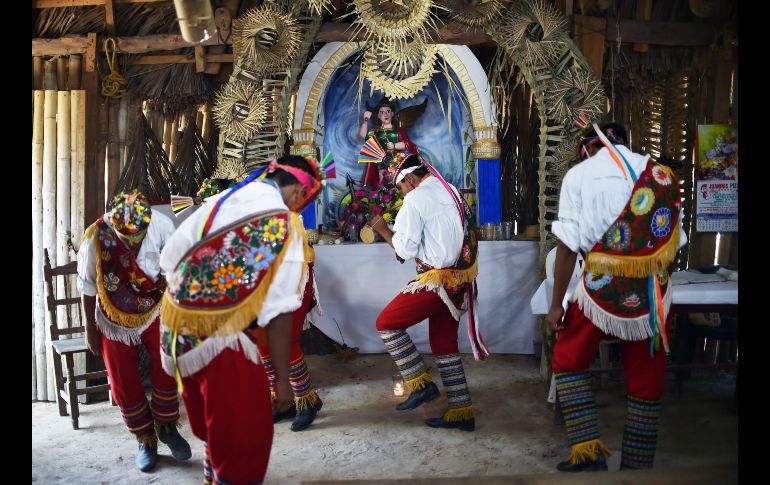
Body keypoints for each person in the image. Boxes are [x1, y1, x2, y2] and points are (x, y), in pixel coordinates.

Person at [159, 155, 321, 484]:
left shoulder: (223, 198)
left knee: (217, 428)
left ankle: (213, 475)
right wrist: (282, 383)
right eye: (304, 203)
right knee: (246, 437)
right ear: (297, 194)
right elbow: (279, 313)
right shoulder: (282, 223)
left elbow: (171, 254)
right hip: (218, 341)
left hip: (174, 331)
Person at [546, 122, 687, 472]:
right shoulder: (656, 174)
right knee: (646, 371)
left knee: (567, 359)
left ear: (586, 148)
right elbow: (675, 243)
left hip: (600, 287)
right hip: (650, 292)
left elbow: (566, 248)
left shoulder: (578, 176)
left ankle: (588, 452)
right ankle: (638, 466)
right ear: (625, 141)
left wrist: (556, 306)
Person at [367, 153, 487, 432]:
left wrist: (383, 230)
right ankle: (462, 411)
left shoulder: (415, 198)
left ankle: (420, 383)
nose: (402, 192)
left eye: (401, 187)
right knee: (444, 343)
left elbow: (405, 250)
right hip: (461, 279)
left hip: (437, 281)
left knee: (386, 324)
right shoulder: (451, 190)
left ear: (409, 179)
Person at [77, 190, 191, 472]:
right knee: (121, 378)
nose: (132, 242)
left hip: (154, 306)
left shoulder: (162, 226)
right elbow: (87, 286)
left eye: (137, 236)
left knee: (168, 359)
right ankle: (145, 438)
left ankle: (166, 426)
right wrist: (90, 330)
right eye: (125, 238)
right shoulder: (96, 238)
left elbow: (176, 271)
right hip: (113, 316)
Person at [358, 99, 418, 187]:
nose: (385, 114)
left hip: (397, 161)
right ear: (378, 116)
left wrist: (394, 146)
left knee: (398, 180)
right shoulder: (375, 131)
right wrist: (366, 120)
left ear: (392, 114)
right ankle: (385, 194)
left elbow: (407, 144)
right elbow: (363, 135)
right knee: (382, 180)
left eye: (388, 111)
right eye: (382, 112)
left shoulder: (398, 130)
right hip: (381, 163)